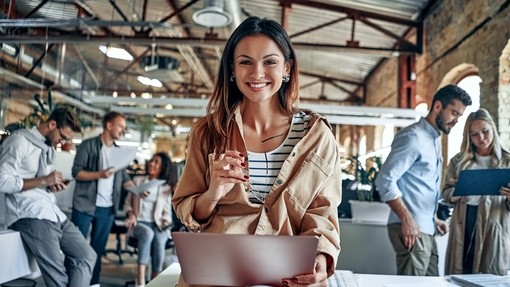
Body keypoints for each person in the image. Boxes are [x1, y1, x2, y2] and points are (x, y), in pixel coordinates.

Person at [172, 16, 342, 287]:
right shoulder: (207, 132)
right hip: (217, 274)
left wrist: (322, 255)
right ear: (232, 68)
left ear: (286, 68)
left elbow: (323, 212)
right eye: (246, 62)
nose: (257, 73)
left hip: (290, 276)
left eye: (270, 62)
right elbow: (187, 209)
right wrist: (213, 193)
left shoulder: (316, 136)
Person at [375, 84, 472, 276]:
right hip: (412, 227)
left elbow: (418, 185)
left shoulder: (433, 139)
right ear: (437, 107)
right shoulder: (413, 137)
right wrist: (407, 219)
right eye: (454, 113)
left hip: (425, 227)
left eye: (459, 116)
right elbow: (384, 179)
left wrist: (432, 219)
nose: (456, 121)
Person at [0, 107, 96, 286]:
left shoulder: (46, 148)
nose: (63, 142)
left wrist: (50, 186)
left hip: (53, 213)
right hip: (30, 216)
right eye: (63, 137)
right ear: (52, 125)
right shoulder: (18, 141)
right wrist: (44, 179)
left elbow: (38, 185)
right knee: (58, 278)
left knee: (87, 256)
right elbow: (3, 181)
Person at [442, 109, 510, 275]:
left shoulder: (507, 161)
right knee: (461, 272)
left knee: (489, 273)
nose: (481, 138)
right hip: (464, 221)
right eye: (474, 134)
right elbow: (445, 193)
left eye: (485, 131)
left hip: (494, 222)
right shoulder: (458, 161)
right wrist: (458, 191)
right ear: (469, 137)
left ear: (492, 128)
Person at [71, 111, 134, 287]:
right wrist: (100, 174)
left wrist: (139, 190)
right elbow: (76, 173)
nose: (123, 130)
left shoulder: (119, 152)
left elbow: (125, 180)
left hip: (107, 209)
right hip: (84, 205)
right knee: (77, 248)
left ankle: (93, 283)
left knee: (98, 249)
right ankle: (72, 282)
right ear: (109, 125)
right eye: (120, 126)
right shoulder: (88, 145)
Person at [124, 152, 176, 287]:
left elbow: (166, 212)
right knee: (148, 233)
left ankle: (155, 280)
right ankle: (140, 280)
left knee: (159, 239)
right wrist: (131, 214)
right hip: (139, 223)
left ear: (162, 167)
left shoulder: (165, 187)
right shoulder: (137, 181)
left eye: (156, 162)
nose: (151, 163)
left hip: (157, 224)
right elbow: (127, 204)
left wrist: (166, 222)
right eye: (151, 160)